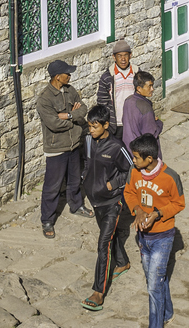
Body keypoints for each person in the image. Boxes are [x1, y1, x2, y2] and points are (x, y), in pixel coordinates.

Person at [125, 134, 185, 328]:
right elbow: (129, 192)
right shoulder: (134, 172)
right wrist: (138, 210)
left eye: (135, 157)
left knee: (153, 286)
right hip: (143, 238)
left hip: (163, 237)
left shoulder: (170, 177)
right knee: (156, 279)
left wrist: (158, 214)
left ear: (149, 159)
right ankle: (167, 313)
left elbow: (179, 203)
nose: (133, 160)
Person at [79, 105, 134, 312]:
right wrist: (85, 178)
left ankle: (98, 292)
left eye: (94, 126)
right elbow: (87, 162)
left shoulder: (117, 147)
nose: (91, 130)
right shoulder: (87, 141)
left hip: (112, 202)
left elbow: (130, 171)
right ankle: (123, 262)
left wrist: (113, 184)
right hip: (95, 200)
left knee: (103, 244)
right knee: (111, 236)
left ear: (106, 125)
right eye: (89, 126)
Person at [35, 59, 93, 238]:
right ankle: (47, 219)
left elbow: (82, 109)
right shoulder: (44, 100)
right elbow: (53, 123)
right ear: (57, 77)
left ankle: (76, 205)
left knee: (75, 180)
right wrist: (73, 121)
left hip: (74, 145)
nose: (70, 75)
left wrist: (68, 115)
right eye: (67, 73)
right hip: (56, 148)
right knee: (52, 186)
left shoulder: (70, 90)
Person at [96, 38, 137, 137]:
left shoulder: (137, 73)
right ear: (114, 57)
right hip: (116, 124)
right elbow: (102, 101)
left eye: (126, 55)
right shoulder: (107, 77)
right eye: (119, 56)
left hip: (134, 122)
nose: (123, 59)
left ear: (130, 56)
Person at [121, 70, 164, 153]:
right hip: (142, 153)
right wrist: (158, 123)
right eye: (149, 86)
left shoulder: (128, 100)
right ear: (139, 88)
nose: (152, 89)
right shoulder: (145, 108)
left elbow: (125, 120)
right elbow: (151, 135)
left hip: (128, 149)